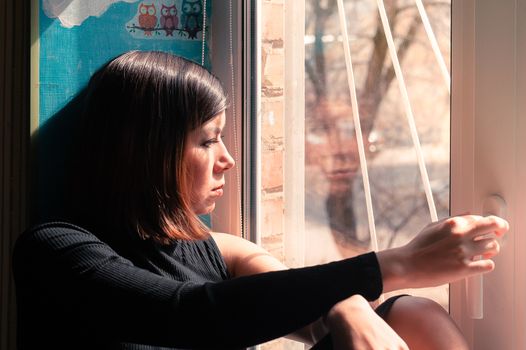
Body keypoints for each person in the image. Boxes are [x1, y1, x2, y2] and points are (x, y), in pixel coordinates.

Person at [13, 50, 508, 350]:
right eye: (207, 141)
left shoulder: (216, 248)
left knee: (412, 315)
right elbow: (192, 312)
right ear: (147, 151)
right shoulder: (55, 250)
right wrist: (394, 264)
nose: (228, 159)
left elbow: (283, 288)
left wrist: (348, 307)